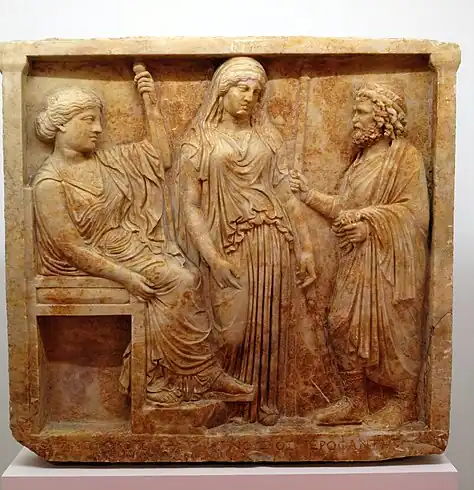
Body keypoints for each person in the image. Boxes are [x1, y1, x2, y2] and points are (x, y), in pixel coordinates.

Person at [32, 67, 254, 407]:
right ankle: (175, 377)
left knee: (189, 274)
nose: (98, 129)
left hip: (126, 246)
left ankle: (187, 374)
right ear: (61, 124)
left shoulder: (107, 160)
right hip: (86, 261)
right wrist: (127, 277)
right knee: (178, 280)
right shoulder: (50, 182)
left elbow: (160, 155)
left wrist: (149, 100)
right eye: (88, 120)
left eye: (99, 121)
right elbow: (71, 247)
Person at [176, 57, 317, 426]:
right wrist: (212, 257)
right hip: (226, 245)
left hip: (272, 239)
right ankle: (220, 401)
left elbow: (286, 196)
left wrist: (305, 248)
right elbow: (189, 205)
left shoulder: (268, 139)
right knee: (231, 333)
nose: (250, 97)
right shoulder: (198, 142)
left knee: (269, 328)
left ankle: (262, 402)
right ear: (222, 91)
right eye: (243, 88)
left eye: (256, 92)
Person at [289, 83, 429, 427]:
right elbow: (343, 207)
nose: (354, 119)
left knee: (393, 331)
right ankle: (355, 401)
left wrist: (369, 225)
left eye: (361, 113)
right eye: (355, 111)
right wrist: (307, 194)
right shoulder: (359, 162)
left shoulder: (404, 158)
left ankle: (403, 402)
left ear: (382, 119)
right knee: (341, 323)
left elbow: (414, 215)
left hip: (388, 264)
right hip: (356, 262)